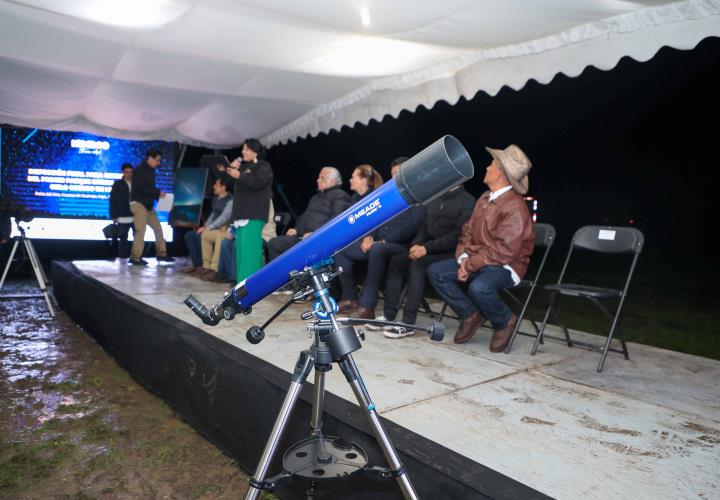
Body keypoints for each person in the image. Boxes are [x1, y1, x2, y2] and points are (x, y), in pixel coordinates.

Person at [427, 145, 534, 352]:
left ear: (501, 173)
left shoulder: (514, 206)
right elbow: (467, 231)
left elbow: (505, 252)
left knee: (480, 287)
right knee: (436, 272)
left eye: (491, 165)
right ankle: (470, 314)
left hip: (506, 266)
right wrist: (463, 258)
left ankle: (504, 321)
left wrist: (470, 264)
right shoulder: (485, 198)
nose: (487, 168)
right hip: (479, 260)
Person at [381, 184, 476, 338]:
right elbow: (424, 228)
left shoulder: (468, 202)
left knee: (418, 264)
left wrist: (426, 249)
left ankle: (408, 322)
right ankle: (388, 316)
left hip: (450, 253)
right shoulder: (436, 198)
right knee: (397, 261)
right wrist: (416, 245)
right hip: (426, 248)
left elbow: (457, 236)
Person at [267, 167, 350, 260]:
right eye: (319, 177)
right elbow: (305, 217)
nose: (318, 180)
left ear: (333, 181)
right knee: (274, 243)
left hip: (320, 238)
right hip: (303, 237)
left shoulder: (340, 196)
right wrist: (296, 230)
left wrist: (315, 233)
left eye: (322, 178)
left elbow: (336, 220)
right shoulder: (315, 198)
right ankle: (283, 274)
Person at [333, 164, 384, 313]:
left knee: (339, 251)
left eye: (353, 177)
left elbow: (380, 220)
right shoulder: (354, 199)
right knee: (336, 249)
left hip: (374, 244)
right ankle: (345, 295)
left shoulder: (375, 197)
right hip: (355, 243)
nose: (350, 180)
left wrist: (370, 236)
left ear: (364, 179)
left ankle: (350, 296)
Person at [226, 138, 273, 282]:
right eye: (243, 149)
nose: (243, 152)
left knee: (250, 252)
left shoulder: (264, 166)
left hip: (254, 214)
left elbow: (257, 182)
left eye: (246, 149)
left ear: (255, 151)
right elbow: (230, 184)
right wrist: (232, 169)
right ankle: (242, 284)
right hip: (241, 214)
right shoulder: (243, 167)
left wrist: (239, 175)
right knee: (241, 252)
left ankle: (251, 286)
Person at [181, 178, 234, 280]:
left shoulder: (231, 201)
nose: (214, 186)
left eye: (216, 185)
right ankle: (205, 266)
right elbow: (213, 215)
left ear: (223, 187)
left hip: (223, 229)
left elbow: (224, 218)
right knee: (198, 235)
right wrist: (205, 226)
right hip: (214, 228)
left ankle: (214, 269)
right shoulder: (217, 199)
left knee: (213, 235)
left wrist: (209, 227)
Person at [129, 149, 174, 265]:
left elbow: (151, 190)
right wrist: (158, 192)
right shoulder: (140, 170)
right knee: (141, 230)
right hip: (139, 204)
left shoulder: (151, 171)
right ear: (150, 158)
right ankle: (135, 257)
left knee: (158, 228)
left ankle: (161, 254)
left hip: (148, 205)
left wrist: (162, 200)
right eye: (157, 160)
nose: (158, 163)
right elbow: (140, 188)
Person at [108, 163, 134, 259]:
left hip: (136, 215)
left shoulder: (136, 183)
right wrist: (113, 216)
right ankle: (123, 259)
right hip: (123, 216)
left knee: (138, 238)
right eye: (127, 172)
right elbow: (113, 200)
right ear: (123, 172)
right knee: (123, 239)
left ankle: (136, 258)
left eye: (131, 172)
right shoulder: (118, 184)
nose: (129, 174)